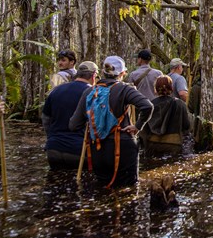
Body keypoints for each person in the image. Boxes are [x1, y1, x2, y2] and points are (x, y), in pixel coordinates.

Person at [69, 55, 153, 187]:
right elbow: (147, 106)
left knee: (102, 189)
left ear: (102, 72)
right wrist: (137, 127)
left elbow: (73, 125)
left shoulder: (89, 91)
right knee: (128, 189)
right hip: (123, 146)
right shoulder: (125, 89)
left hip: (98, 149)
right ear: (122, 73)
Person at [42, 61, 98, 170]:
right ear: (94, 75)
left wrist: (51, 137)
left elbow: (45, 119)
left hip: (53, 149)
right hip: (79, 151)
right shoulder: (92, 93)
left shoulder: (56, 90)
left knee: (54, 184)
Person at [140, 75, 190, 156]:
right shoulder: (180, 104)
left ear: (155, 89)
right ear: (171, 88)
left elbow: (143, 128)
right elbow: (187, 125)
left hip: (152, 145)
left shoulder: (149, 105)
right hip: (173, 145)